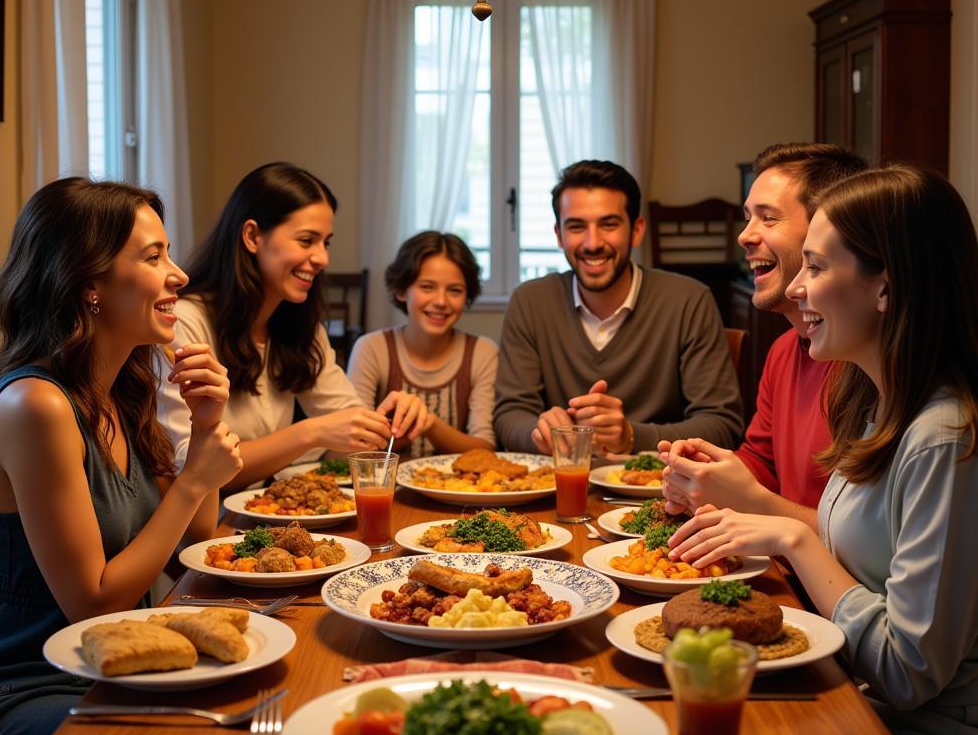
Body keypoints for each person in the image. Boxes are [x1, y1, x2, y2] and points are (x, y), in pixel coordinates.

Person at [668, 164, 978, 735]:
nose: (799, 288)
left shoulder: (943, 438)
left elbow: (909, 672)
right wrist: (755, 520)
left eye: (816, 265)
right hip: (862, 705)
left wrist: (792, 540)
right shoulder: (873, 403)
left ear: (885, 287)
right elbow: (865, 556)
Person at [0, 179, 242, 735]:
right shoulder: (37, 406)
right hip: (8, 692)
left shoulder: (121, 389)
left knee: (253, 710)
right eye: (153, 256)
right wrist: (194, 480)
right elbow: (95, 602)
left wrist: (207, 423)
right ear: (88, 283)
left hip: (109, 661)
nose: (180, 274)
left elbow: (198, 538)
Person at [156, 162, 429, 489]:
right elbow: (188, 466)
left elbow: (351, 427)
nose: (323, 258)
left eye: (326, 242)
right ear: (252, 236)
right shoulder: (186, 323)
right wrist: (311, 432)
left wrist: (391, 421)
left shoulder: (300, 326)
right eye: (306, 240)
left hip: (274, 517)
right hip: (210, 527)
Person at [660, 143, 866, 521]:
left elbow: (861, 543)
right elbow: (762, 462)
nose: (744, 236)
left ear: (826, 230)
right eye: (748, 217)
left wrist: (752, 501)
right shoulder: (785, 348)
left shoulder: (868, 366)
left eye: (768, 218)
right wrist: (710, 472)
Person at [493, 159, 742, 456]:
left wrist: (633, 436)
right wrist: (541, 432)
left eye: (608, 224)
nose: (592, 243)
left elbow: (722, 425)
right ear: (559, 235)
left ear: (636, 231)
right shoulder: (530, 302)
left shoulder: (690, 300)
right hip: (560, 488)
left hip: (659, 494)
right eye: (576, 227)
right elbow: (509, 415)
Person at [347, 231, 498, 459]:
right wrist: (406, 431)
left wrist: (429, 424)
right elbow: (352, 450)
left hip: (458, 491)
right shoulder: (372, 348)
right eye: (427, 287)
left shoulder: (482, 352)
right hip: (386, 491)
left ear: (467, 295)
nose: (440, 301)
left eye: (454, 290)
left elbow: (485, 450)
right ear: (400, 290)